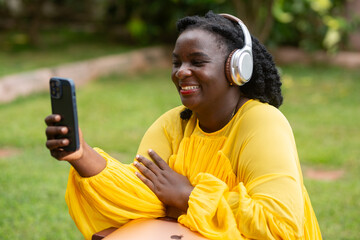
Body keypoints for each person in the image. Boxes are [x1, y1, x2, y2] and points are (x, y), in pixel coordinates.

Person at [45, 11, 322, 240]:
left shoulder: (262, 122)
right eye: (177, 62)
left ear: (237, 69)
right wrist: (81, 154)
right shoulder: (172, 124)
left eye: (197, 62)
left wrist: (188, 196)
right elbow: (143, 197)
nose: (181, 72)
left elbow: (280, 225)